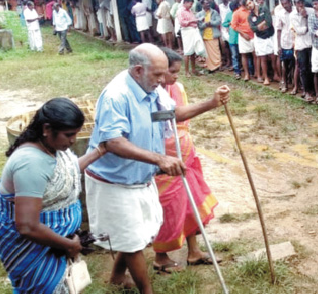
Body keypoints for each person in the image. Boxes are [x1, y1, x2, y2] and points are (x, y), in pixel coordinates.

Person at [83, 44, 230, 294]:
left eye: (165, 75)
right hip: (114, 181)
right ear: (138, 70)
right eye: (158, 75)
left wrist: (211, 103)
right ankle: (147, 292)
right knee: (131, 239)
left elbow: (171, 114)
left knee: (137, 233)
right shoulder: (116, 95)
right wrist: (159, 159)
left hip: (140, 177)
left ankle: (117, 276)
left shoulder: (153, 89)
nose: (164, 81)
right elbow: (113, 141)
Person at [0, 98, 106, 293]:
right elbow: (27, 226)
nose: (73, 140)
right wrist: (69, 245)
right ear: (47, 128)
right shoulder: (30, 162)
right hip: (33, 250)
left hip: (54, 243)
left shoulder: (51, 148)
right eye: (69, 135)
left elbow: (64, 174)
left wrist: (99, 151)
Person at [152, 47, 221, 272]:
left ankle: (194, 251)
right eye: (171, 72)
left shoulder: (176, 87)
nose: (173, 77)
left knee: (191, 203)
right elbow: (173, 116)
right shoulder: (150, 92)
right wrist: (210, 103)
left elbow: (182, 116)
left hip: (185, 154)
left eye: (176, 73)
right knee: (168, 208)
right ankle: (160, 257)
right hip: (165, 160)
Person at [291, 0, 315, 101]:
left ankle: (313, 90)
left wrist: (306, 16)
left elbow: (314, 26)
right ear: (294, 3)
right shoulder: (292, 15)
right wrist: (305, 20)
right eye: (298, 2)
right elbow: (300, 31)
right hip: (300, 45)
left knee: (312, 68)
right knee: (303, 68)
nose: (300, 4)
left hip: (311, 43)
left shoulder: (310, 11)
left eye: (302, 2)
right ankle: (306, 91)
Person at [246, 0, 274, 85]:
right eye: (247, 5)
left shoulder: (264, 8)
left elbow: (269, 21)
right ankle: (266, 78)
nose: (249, 5)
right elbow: (253, 28)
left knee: (274, 56)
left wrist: (259, 26)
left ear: (253, 1)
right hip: (260, 38)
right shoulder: (250, 17)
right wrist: (260, 26)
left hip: (270, 35)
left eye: (250, 2)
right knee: (263, 58)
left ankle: (277, 75)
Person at [178, 0, 206, 77]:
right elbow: (182, 22)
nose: (191, 6)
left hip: (193, 30)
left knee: (193, 51)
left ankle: (193, 69)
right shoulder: (181, 11)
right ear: (185, 3)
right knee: (187, 51)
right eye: (190, 4)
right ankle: (187, 71)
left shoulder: (189, 11)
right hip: (187, 31)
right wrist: (194, 20)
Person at [231, 0, 254, 81]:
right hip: (244, 36)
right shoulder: (237, 12)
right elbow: (234, 25)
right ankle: (247, 74)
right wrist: (243, 34)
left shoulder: (251, 10)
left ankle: (256, 74)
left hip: (254, 35)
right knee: (244, 55)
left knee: (255, 55)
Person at [276, 0, 296, 93]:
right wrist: (279, 45)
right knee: (285, 64)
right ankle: (284, 82)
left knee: (295, 64)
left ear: (290, 2)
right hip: (285, 42)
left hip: (296, 42)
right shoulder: (280, 14)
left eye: (286, 3)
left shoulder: (296, 11)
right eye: (283, 4)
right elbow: (278, 30)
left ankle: (295, 84)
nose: (285, 6)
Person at [197, 0, 222, 73]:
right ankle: (210, 67)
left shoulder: (214, 12)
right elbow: (199, 26)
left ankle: (217, 66)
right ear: (202, 5)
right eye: (206, 3)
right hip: (205, 35)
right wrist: (205, 24)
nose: (208, 5)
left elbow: (218, 21)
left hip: (213, 35)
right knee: (207, 53)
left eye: (208, 3)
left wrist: (210, 22)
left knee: (216, 51)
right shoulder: (199, 14)